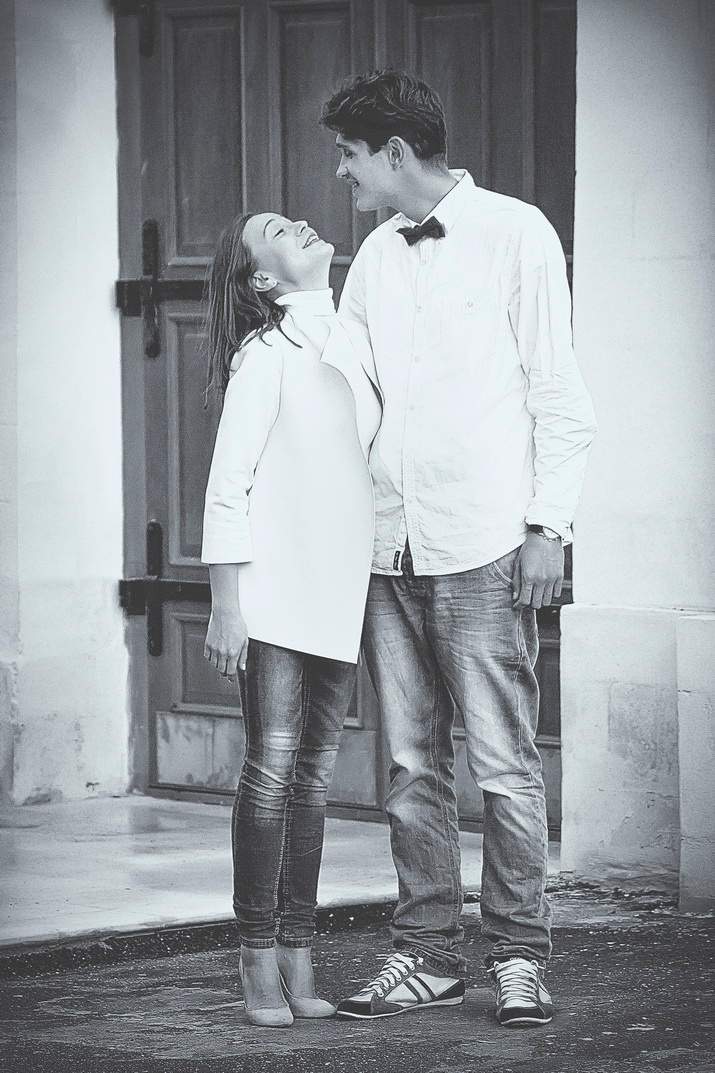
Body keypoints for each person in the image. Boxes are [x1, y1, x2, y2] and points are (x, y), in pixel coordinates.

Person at [320, 71, 597, 1027]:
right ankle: (428, 954)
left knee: (504, 764)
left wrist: (548, 526)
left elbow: (557, 391)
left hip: (483, 541)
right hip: (386, 544)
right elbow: (346, 388)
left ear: (394, 152)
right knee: (408, 763)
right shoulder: (371, 255)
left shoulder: (517, 232)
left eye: (350, 153)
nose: (342, 171)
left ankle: (519, 956)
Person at [201, 212, 381, 1027]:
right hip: (272, 595)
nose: (302, 222)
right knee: (271, 769)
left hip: (338, 592)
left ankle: (299, 949)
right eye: (277, 229)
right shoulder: (265, 353)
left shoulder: (352, 338)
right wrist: (224, 604)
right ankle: (255, 951)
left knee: (313, 777)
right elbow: (227, 484)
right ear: (263, 279)